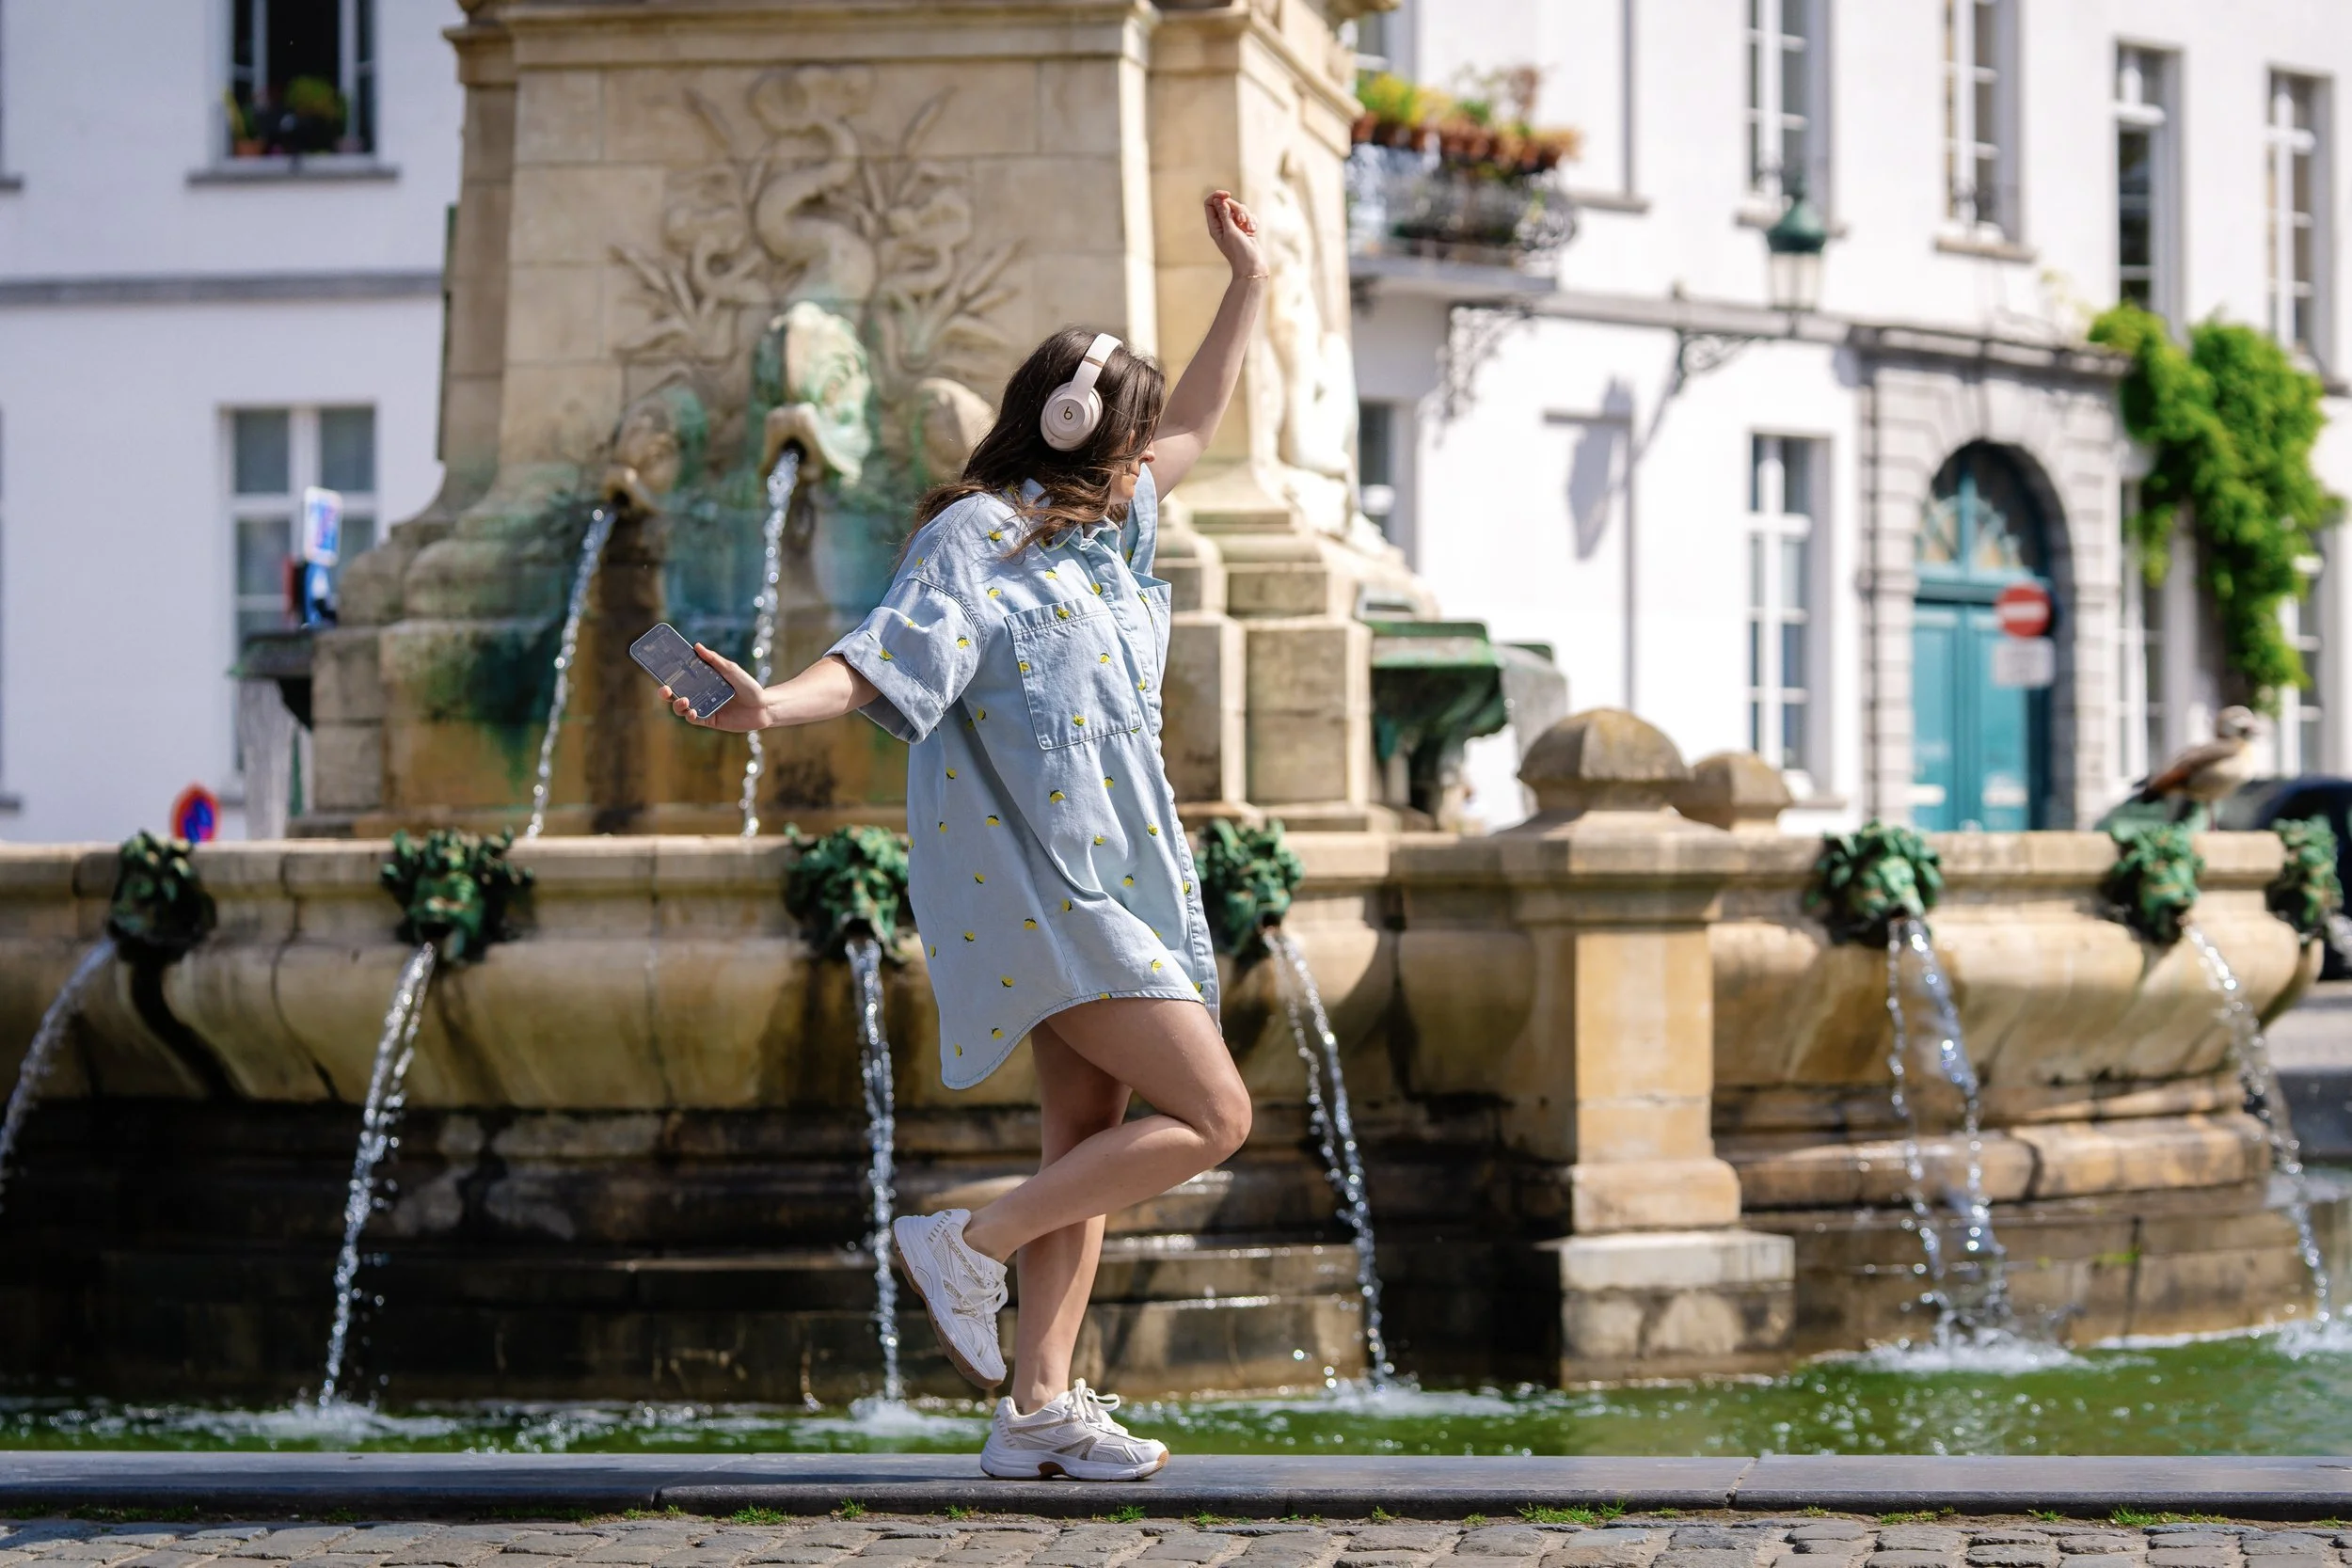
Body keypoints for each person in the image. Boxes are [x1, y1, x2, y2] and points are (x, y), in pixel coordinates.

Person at [662, 190, 1269, 1481]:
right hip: (1043, 885)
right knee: (1216, 1111)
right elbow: (881, 663)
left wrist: (1249, 287)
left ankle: (1035, 1408)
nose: (1152, 453)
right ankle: (964, 1241)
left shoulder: (1113, 528)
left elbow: (1206, 419)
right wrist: (770, 704)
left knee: (1084, 1146)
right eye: (1134, 435)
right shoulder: (974, 537)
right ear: (1078, 428)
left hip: (1117, 873)